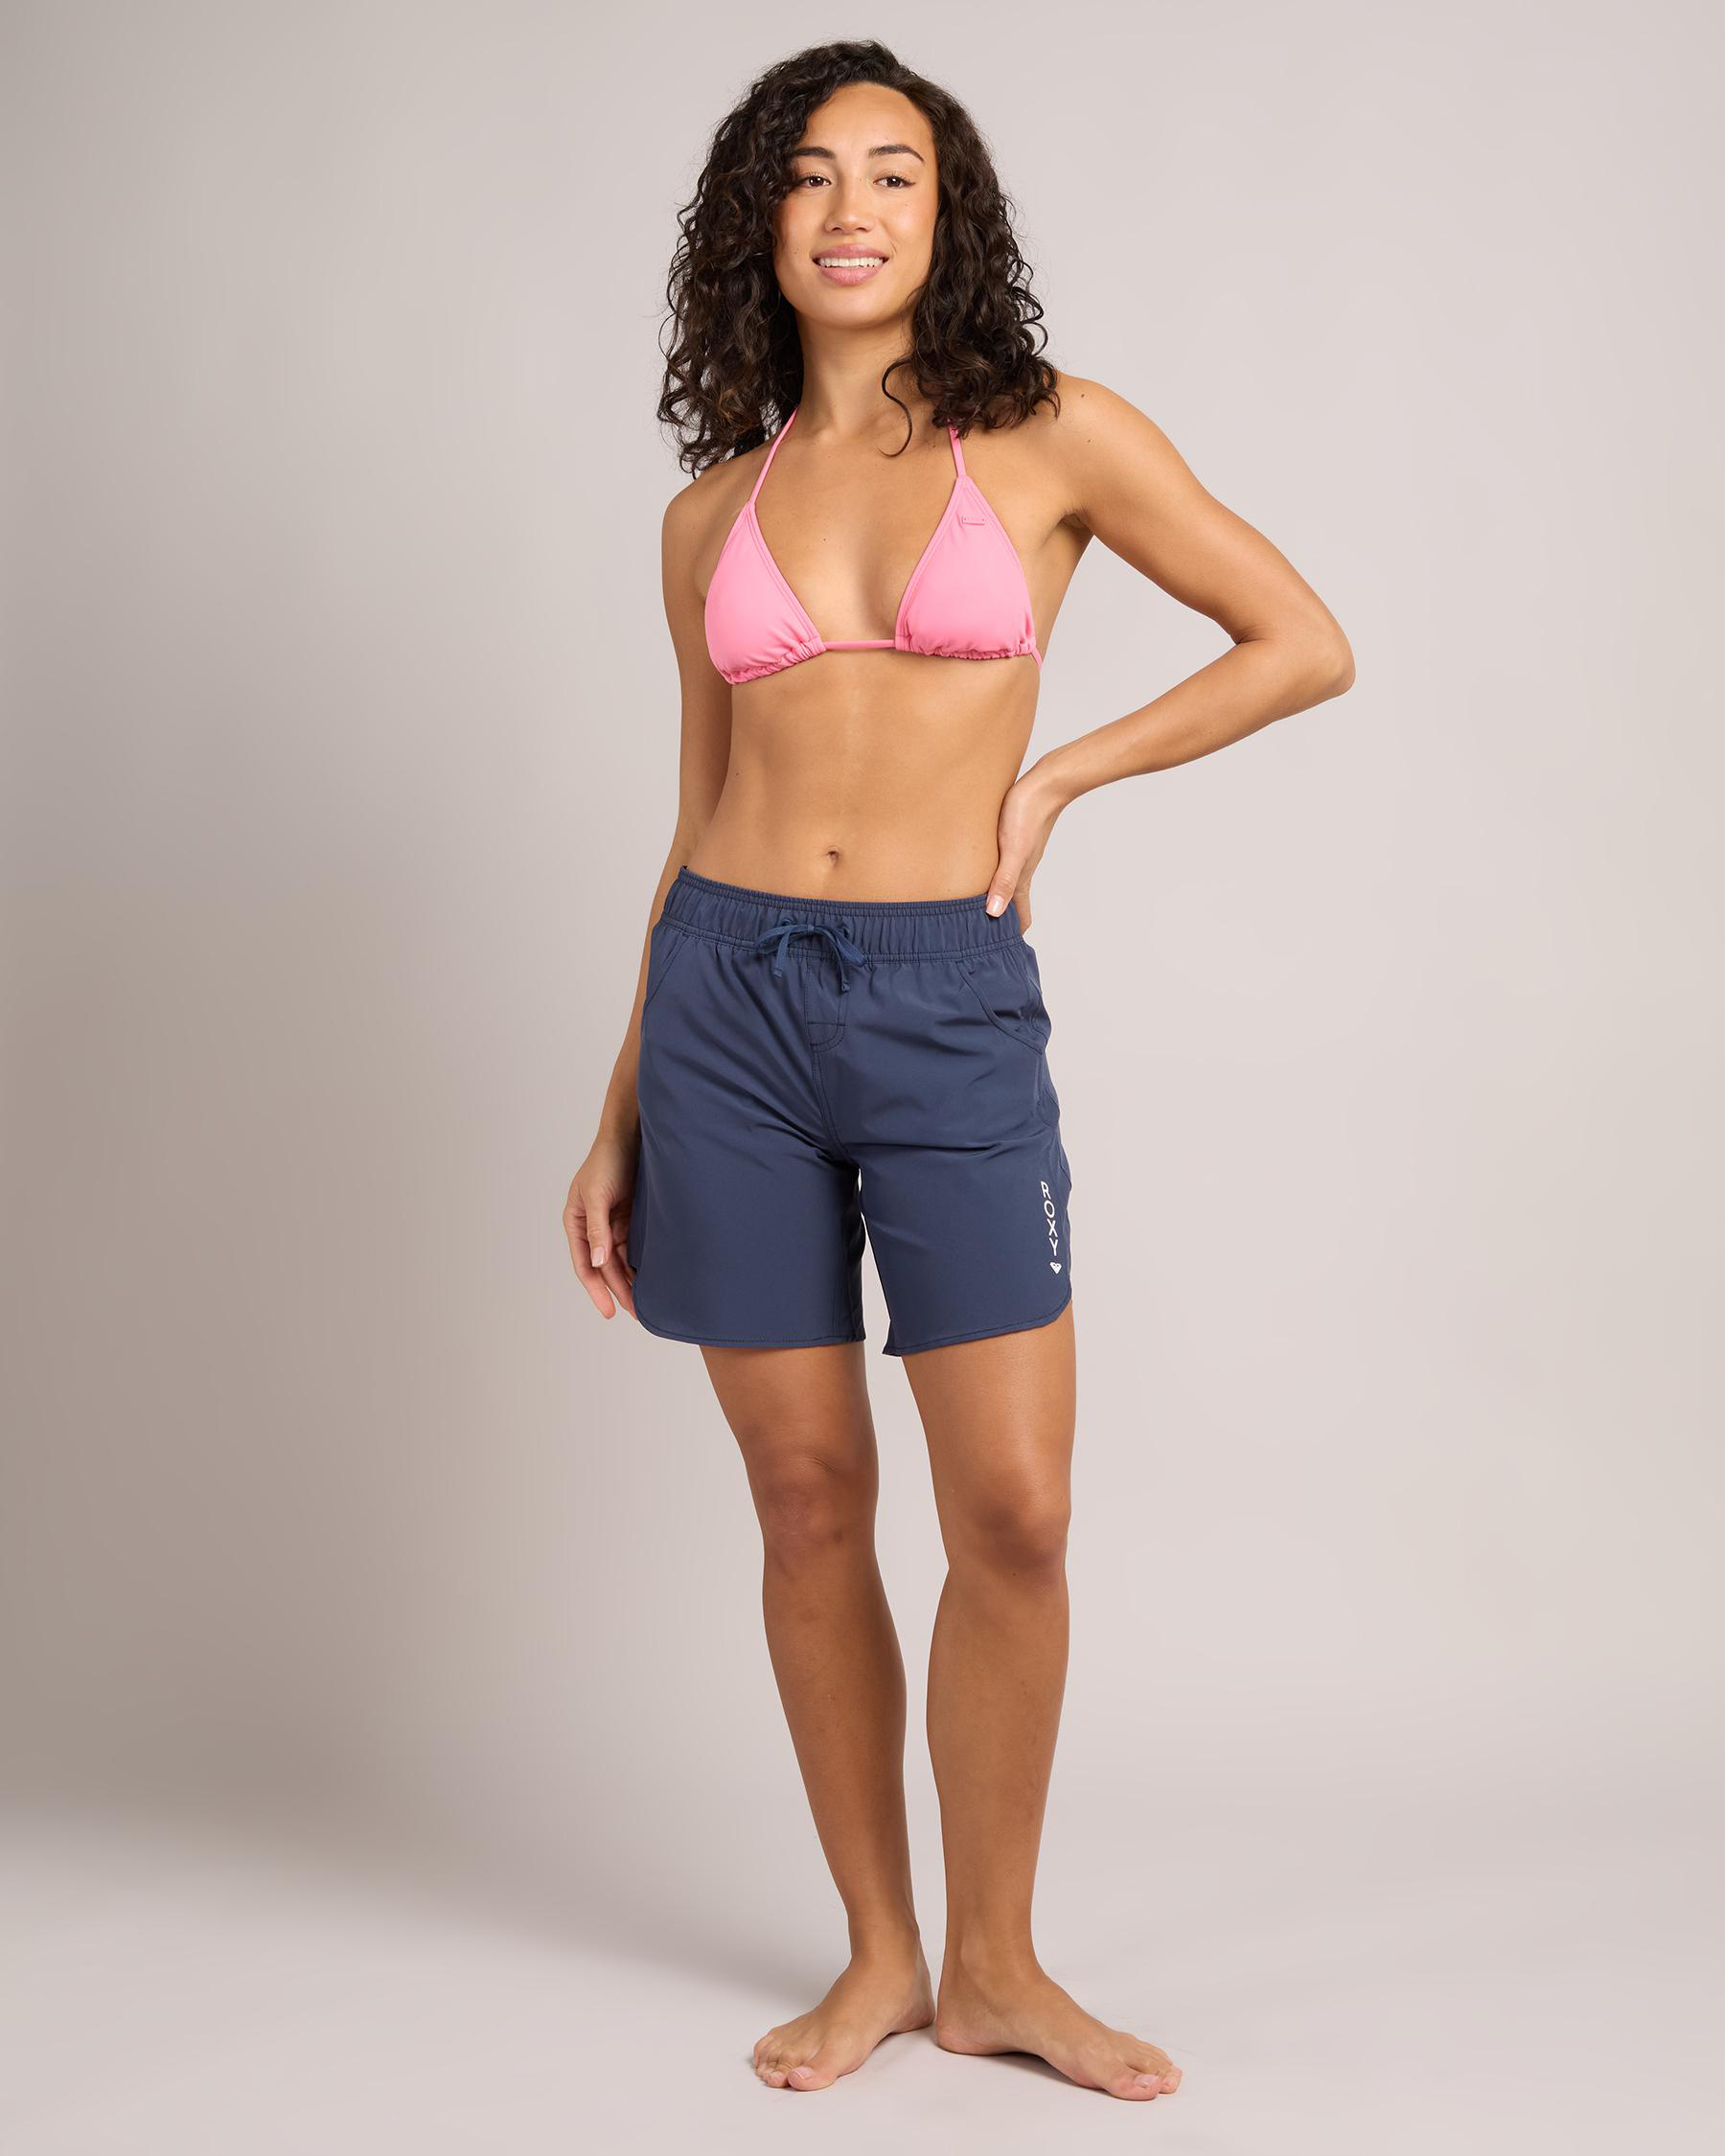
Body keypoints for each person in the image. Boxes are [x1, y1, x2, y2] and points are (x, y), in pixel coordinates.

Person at [564, 39, 1353, 2101]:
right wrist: (620, 1102)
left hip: (944, 1003)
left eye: (894, 173)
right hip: (726, 1003)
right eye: (811, 174)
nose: (852, 209)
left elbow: (1300, 638)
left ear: (947, 214)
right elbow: (692, 815)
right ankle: (883, 1952)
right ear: (761, 220)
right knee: (806, 1498)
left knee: (1011, 1507)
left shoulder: (1054, 435)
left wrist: (1065, 773)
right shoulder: (707, 516)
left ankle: (999, 1962)